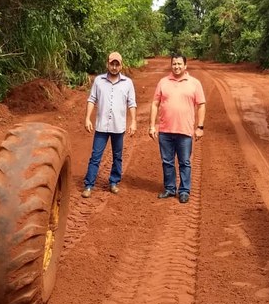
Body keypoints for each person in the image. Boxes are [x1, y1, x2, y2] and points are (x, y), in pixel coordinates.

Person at [149, 55, 206, 204]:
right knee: (167, 161)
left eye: (179, 64)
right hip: (165, 130)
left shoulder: (194, 83)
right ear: (171, 65)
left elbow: (201, 105)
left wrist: (200, 127)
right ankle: (170, 188)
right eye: (174, 64)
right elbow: (155, 104)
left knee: (184, 162)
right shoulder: (163, 82)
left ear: (185, 66)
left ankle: (184, 191)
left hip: (185, 131)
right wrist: (152, 126)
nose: (176, 66)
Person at [81, 52, 137, 198]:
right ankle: (89, 185)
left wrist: (133, 121)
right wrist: (87, 118)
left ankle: (114, 182)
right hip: (101, 126)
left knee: (117, 156)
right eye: (112, 64)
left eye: (117, 64)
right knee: (95, 156)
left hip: (118, 127)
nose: (114, 67)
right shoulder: (98, 81)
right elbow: (91, 99)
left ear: (121, 66)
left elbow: (131, 103)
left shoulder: (127, 83)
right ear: (107, 64)